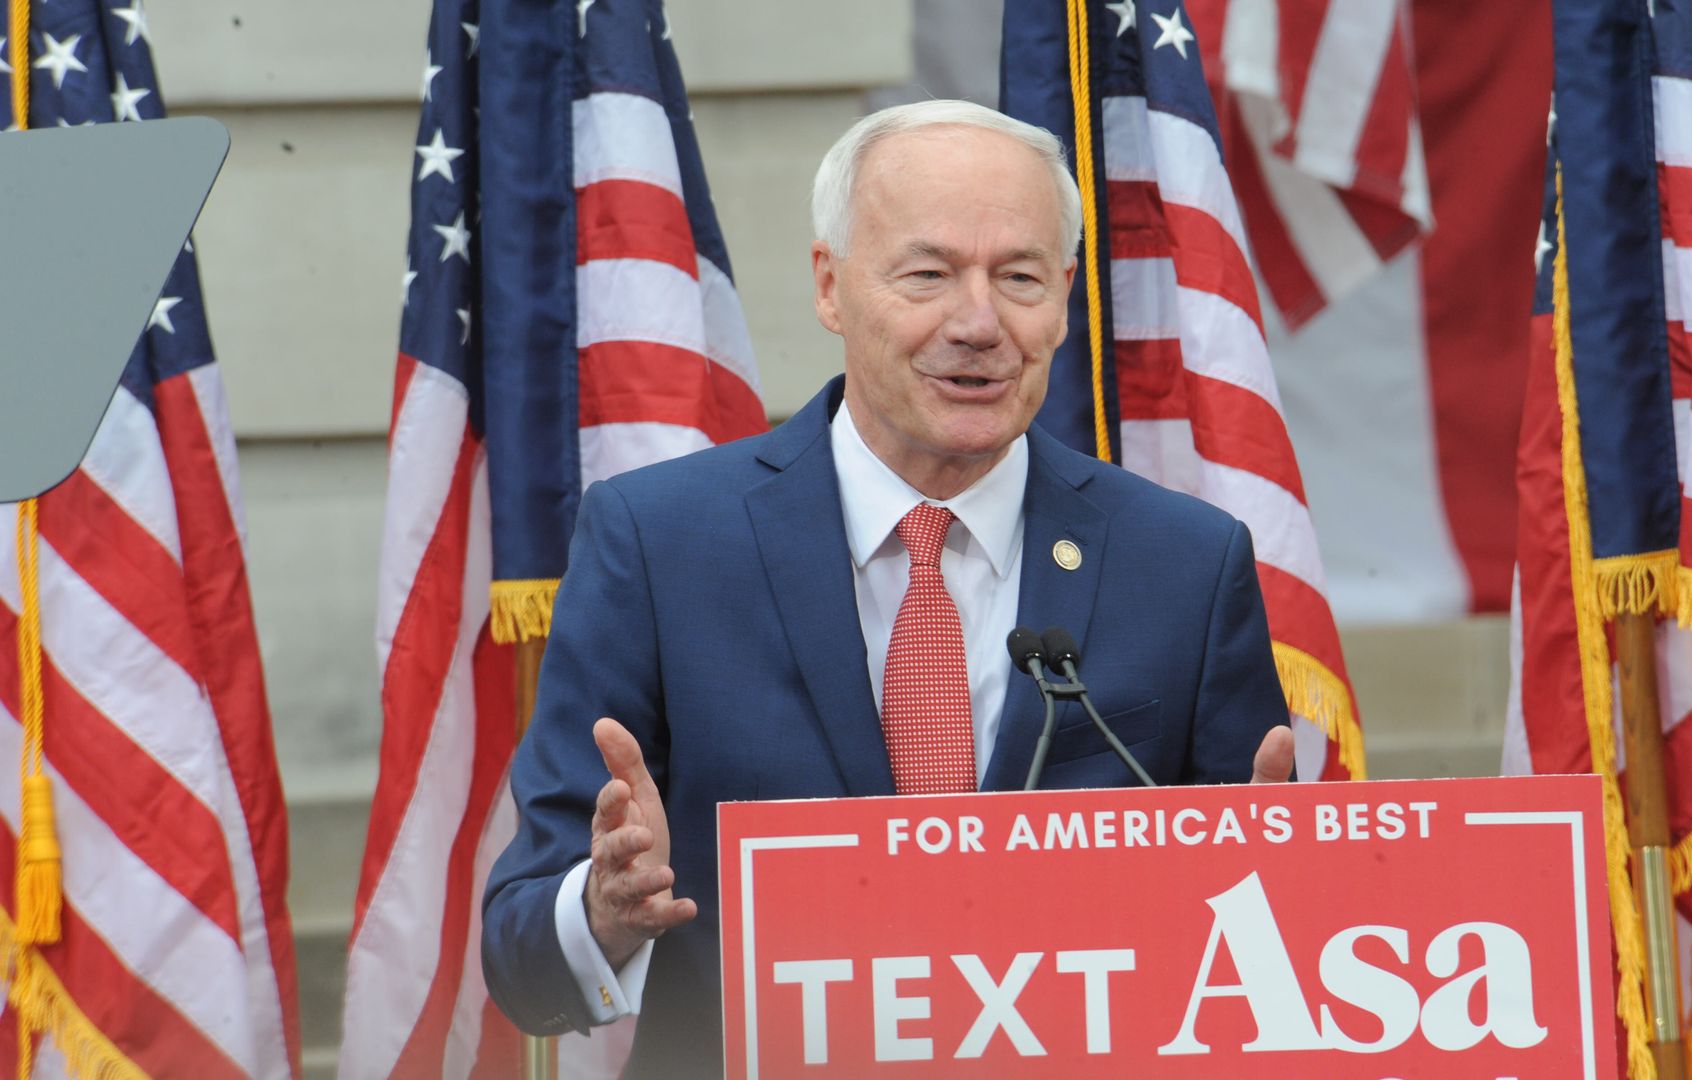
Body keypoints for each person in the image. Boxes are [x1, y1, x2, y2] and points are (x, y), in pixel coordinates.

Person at [480, 99, 1295, 1074]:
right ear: (831, 287)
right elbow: (520, 958)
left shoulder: (1186, 564)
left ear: (1067, 297)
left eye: (1021, 278)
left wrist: (1273, 882)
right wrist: (604, 912)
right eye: (929, 274)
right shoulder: (659, 545)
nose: (981, 322)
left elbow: (1269, 956)